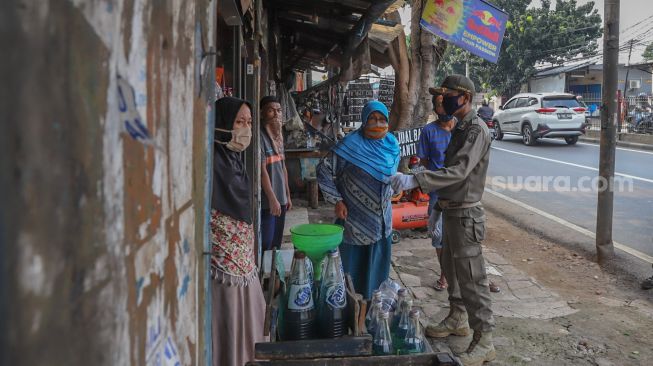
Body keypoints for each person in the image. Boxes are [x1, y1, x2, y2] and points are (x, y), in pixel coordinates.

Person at [391, 75, 496, 365]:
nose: (443, 100)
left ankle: (485, 339)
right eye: (441, 95)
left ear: (465, 97)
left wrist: (415, 181)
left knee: (473, 277)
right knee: (451, 269)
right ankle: (458, 317)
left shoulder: (475, 130)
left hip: (465, 214)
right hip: (450, 210)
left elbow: (459, 171)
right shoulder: (460, 127)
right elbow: (444, 167)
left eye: (448, 94)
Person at [317, 100, 400, 299]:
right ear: (363, 120)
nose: (377, 123)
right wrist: (336, 200)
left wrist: (397, 186)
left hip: (382, 222)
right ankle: (347, 310)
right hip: (354, 221)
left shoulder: (392, 144)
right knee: (350, 273)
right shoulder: (350, 145)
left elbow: (392, 174)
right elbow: (324, 169)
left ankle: (372, 309)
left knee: (377, 274)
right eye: (372, 118)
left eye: (382, 119)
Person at [211, 97, 265, 366]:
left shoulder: (234, 160)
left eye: (249, 123)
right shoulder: (211, 163)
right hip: (222, 268)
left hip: (244, 264)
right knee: (228, 326)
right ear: (222, 124)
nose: (246, 129)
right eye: (239, 122)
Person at [417, 93, 455, 292]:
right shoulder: (428, 131)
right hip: (437, 193)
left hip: (459, 192)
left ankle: (454, 275)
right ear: (434, 108)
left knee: (459, 235)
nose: (442, 110)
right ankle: (445, 274)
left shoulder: (462, 128)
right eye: (438, 105)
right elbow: (423, 161)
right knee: (438, 237)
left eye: (445, 105)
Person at [260, 96, 292, 251]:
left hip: (281, 199)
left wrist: (287, 195)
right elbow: (261, 171)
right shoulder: (259, 136)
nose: (276, 114)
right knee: (266, 241)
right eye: (271, 110)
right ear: (262, 113)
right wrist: (272, 198)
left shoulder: (278, 137)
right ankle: (263, 274)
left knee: (276, 242)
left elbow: (283, 167)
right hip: (268, 201)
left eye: (279, 111)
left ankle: (274, 273)